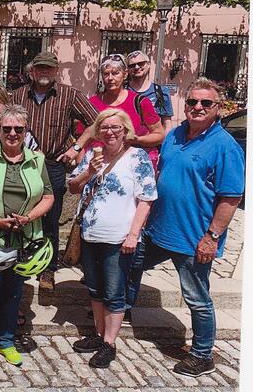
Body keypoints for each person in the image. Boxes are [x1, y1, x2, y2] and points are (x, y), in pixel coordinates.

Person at [127, 78, 244, 377]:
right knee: (130, 262)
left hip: (194, 238)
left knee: (196, 296)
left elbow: (231, 197)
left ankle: (203, 354)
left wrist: (212, 237)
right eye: (192, 102)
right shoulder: (175, 134)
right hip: (158, 230)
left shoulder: (225, 146)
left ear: (218, 109)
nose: (198, 107)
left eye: (206, 103)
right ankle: (123, 308)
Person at [0, 105, 53, 373]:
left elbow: (48, 195)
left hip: (23, 238)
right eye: (7, 129)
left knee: (13, 293)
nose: (12, 133)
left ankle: (4, 340)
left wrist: (30, 216)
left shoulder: (37, 160)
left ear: (26, 132)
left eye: (18, 129)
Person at [67, 109, 157, 369]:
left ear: (125, 131)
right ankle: (98, 336)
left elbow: (147, 199)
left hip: (119, 238)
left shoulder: (136, 157)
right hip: (91, 235)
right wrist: (88, 172)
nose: (110, 132)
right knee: (95, 289)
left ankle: (109, 343)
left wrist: (133, 234)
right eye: (104, 127)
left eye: (115, 128)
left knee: (114, 293)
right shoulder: (93, 156)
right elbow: (73, 187)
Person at [10, 51, 99, 291]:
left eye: (49, 68)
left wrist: (77, 147)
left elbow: (95, 121)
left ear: (56, 71)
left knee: (50, 220)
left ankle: (47, 271)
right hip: (22, 164)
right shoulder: (18, 95)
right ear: (32, 71)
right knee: (20, 215)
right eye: (40, 68)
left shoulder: (69, 95)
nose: (44, 72)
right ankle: (20, 262)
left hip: (52, 165)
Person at [88, 54, 164, 170]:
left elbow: (159, 135)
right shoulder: (92, 103)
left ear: (125, 74)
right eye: (106, 74)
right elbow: (85, 138)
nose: (110, 78)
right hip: (99, 166)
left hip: (130, 166)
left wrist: (137, 139)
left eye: (115, 73)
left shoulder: (140, 102)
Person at [126, 50, 173, 129]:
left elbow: (167, 123)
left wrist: (166, 141)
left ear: (148, 65)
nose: (136, 67)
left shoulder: (161, 92)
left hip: (154, 139)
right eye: (132, 65)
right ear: (128, 70)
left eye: (140, 63)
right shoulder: (122, 91)